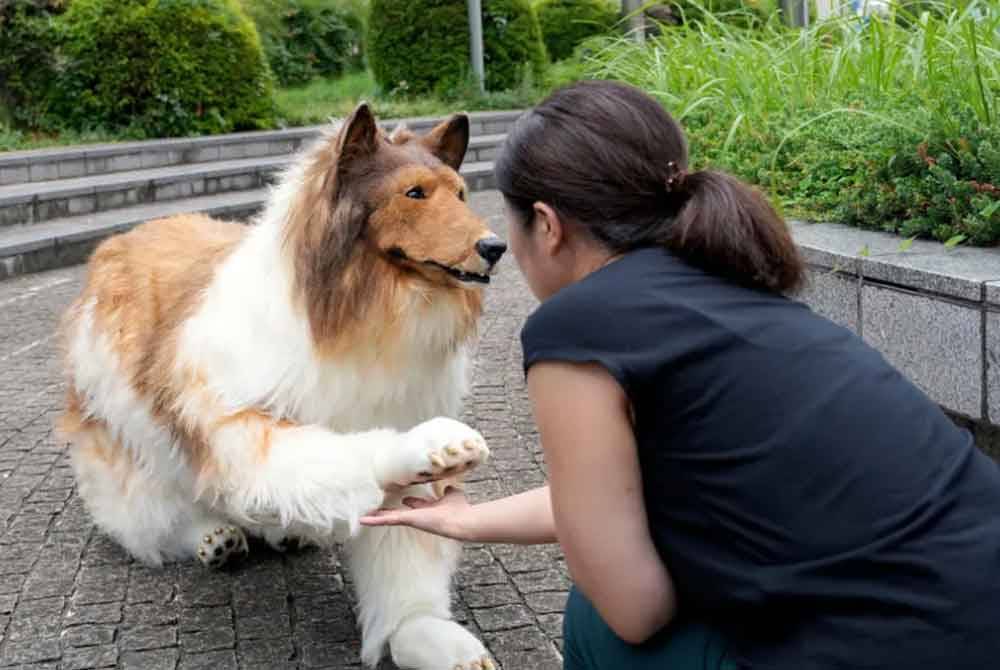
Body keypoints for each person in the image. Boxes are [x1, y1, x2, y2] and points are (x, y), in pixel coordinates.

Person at [361, 80, 1000, 669]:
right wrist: (469, 519)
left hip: (907, 648)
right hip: (975, 601)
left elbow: (636, 611)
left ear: (548, 227)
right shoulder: (728, 282)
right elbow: (619, 495)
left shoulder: (577, 326)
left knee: (596, 623)